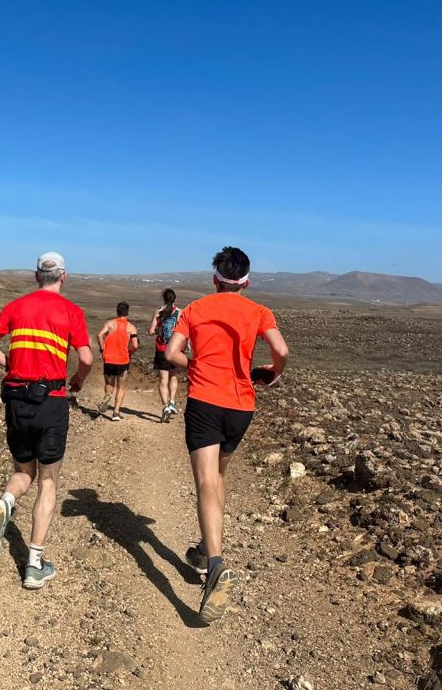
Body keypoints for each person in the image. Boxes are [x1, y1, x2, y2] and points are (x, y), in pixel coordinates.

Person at [164, 246, 289, 624]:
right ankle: (205, 546)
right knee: (219, 475)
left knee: (205, 481)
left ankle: (215, 565)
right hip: (241, 406)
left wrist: (196, 364)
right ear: (246, 281)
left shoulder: (196, 309)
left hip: (205, 400)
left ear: (216, 278)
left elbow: (172, 353)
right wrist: (272, 371)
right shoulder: (259, 311)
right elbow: (281, 349)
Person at [0, 252, 94, 589]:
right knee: (49, 481)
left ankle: (5, 503)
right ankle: (34, 564)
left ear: (36, 275)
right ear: (64, 277)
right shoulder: (71, 312)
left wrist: (9, 363)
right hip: (51, 400)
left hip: (16, 400)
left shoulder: (17, 307)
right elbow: (86, 357)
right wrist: (78, 382)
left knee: (22, 471)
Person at [96, 302, 140, 421]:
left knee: (109, 384)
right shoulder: (131, 327)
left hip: (109, 359)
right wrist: (129, 353)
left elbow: (99, 335)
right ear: (127, 312)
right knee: (121, 387)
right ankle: (116, 412)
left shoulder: (110, 323)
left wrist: (102, 349)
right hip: (122, 361)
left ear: (117, 311)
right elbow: (135, 345)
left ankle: (107, 395)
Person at [149, 288, 182, 423]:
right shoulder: (180, 312)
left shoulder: (158, 312)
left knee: (163, 379)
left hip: (162, 348)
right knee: (173, 375)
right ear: (174, 298)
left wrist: (159, 329)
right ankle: (172, 401)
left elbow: (151, 331)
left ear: (164, 298)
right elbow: (184, 331)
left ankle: (165, 406)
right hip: (175, 348)